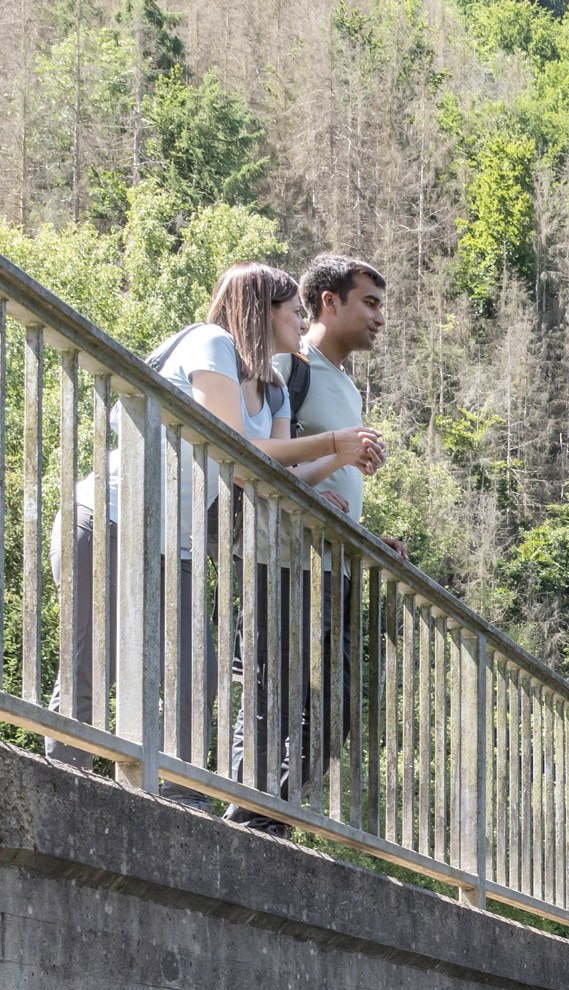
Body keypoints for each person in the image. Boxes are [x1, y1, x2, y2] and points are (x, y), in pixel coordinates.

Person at [50, 263, 378, 778]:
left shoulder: (274, 388)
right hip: (110, 516)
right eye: (294, 311)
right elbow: (234, 447)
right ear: (263, 311)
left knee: (194, 675)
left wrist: (338, 458)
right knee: (92, 665)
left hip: (173, 544)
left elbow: (268, 478)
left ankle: (173, 797)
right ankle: (62, 784)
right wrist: (332, 441)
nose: (301, 321)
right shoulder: (211, 344)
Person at [290, 254, 395, 547]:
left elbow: (333, 482)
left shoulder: (350, 389)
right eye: (370, 304)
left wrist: (365, 540)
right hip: (282, 558)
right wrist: (307, 502)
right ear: (331, 302)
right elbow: (255, 454)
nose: (380, 320)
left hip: (332, 561)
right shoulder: (290, 361)